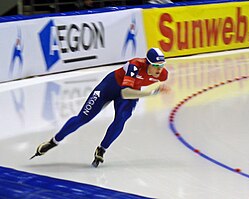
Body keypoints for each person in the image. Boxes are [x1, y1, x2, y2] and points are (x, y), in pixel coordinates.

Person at [30, 47, 170, 167]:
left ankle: (102, 149)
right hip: (110, 87)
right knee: (83, 118)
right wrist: (151, 93)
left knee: (121, 119)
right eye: (156, 65)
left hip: (131, 92)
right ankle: (53, 142)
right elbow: (125, 92)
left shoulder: (163, 75)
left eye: (162, 65)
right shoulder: (135, 66)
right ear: (147, 63)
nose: (159, 69)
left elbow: (128, 94)